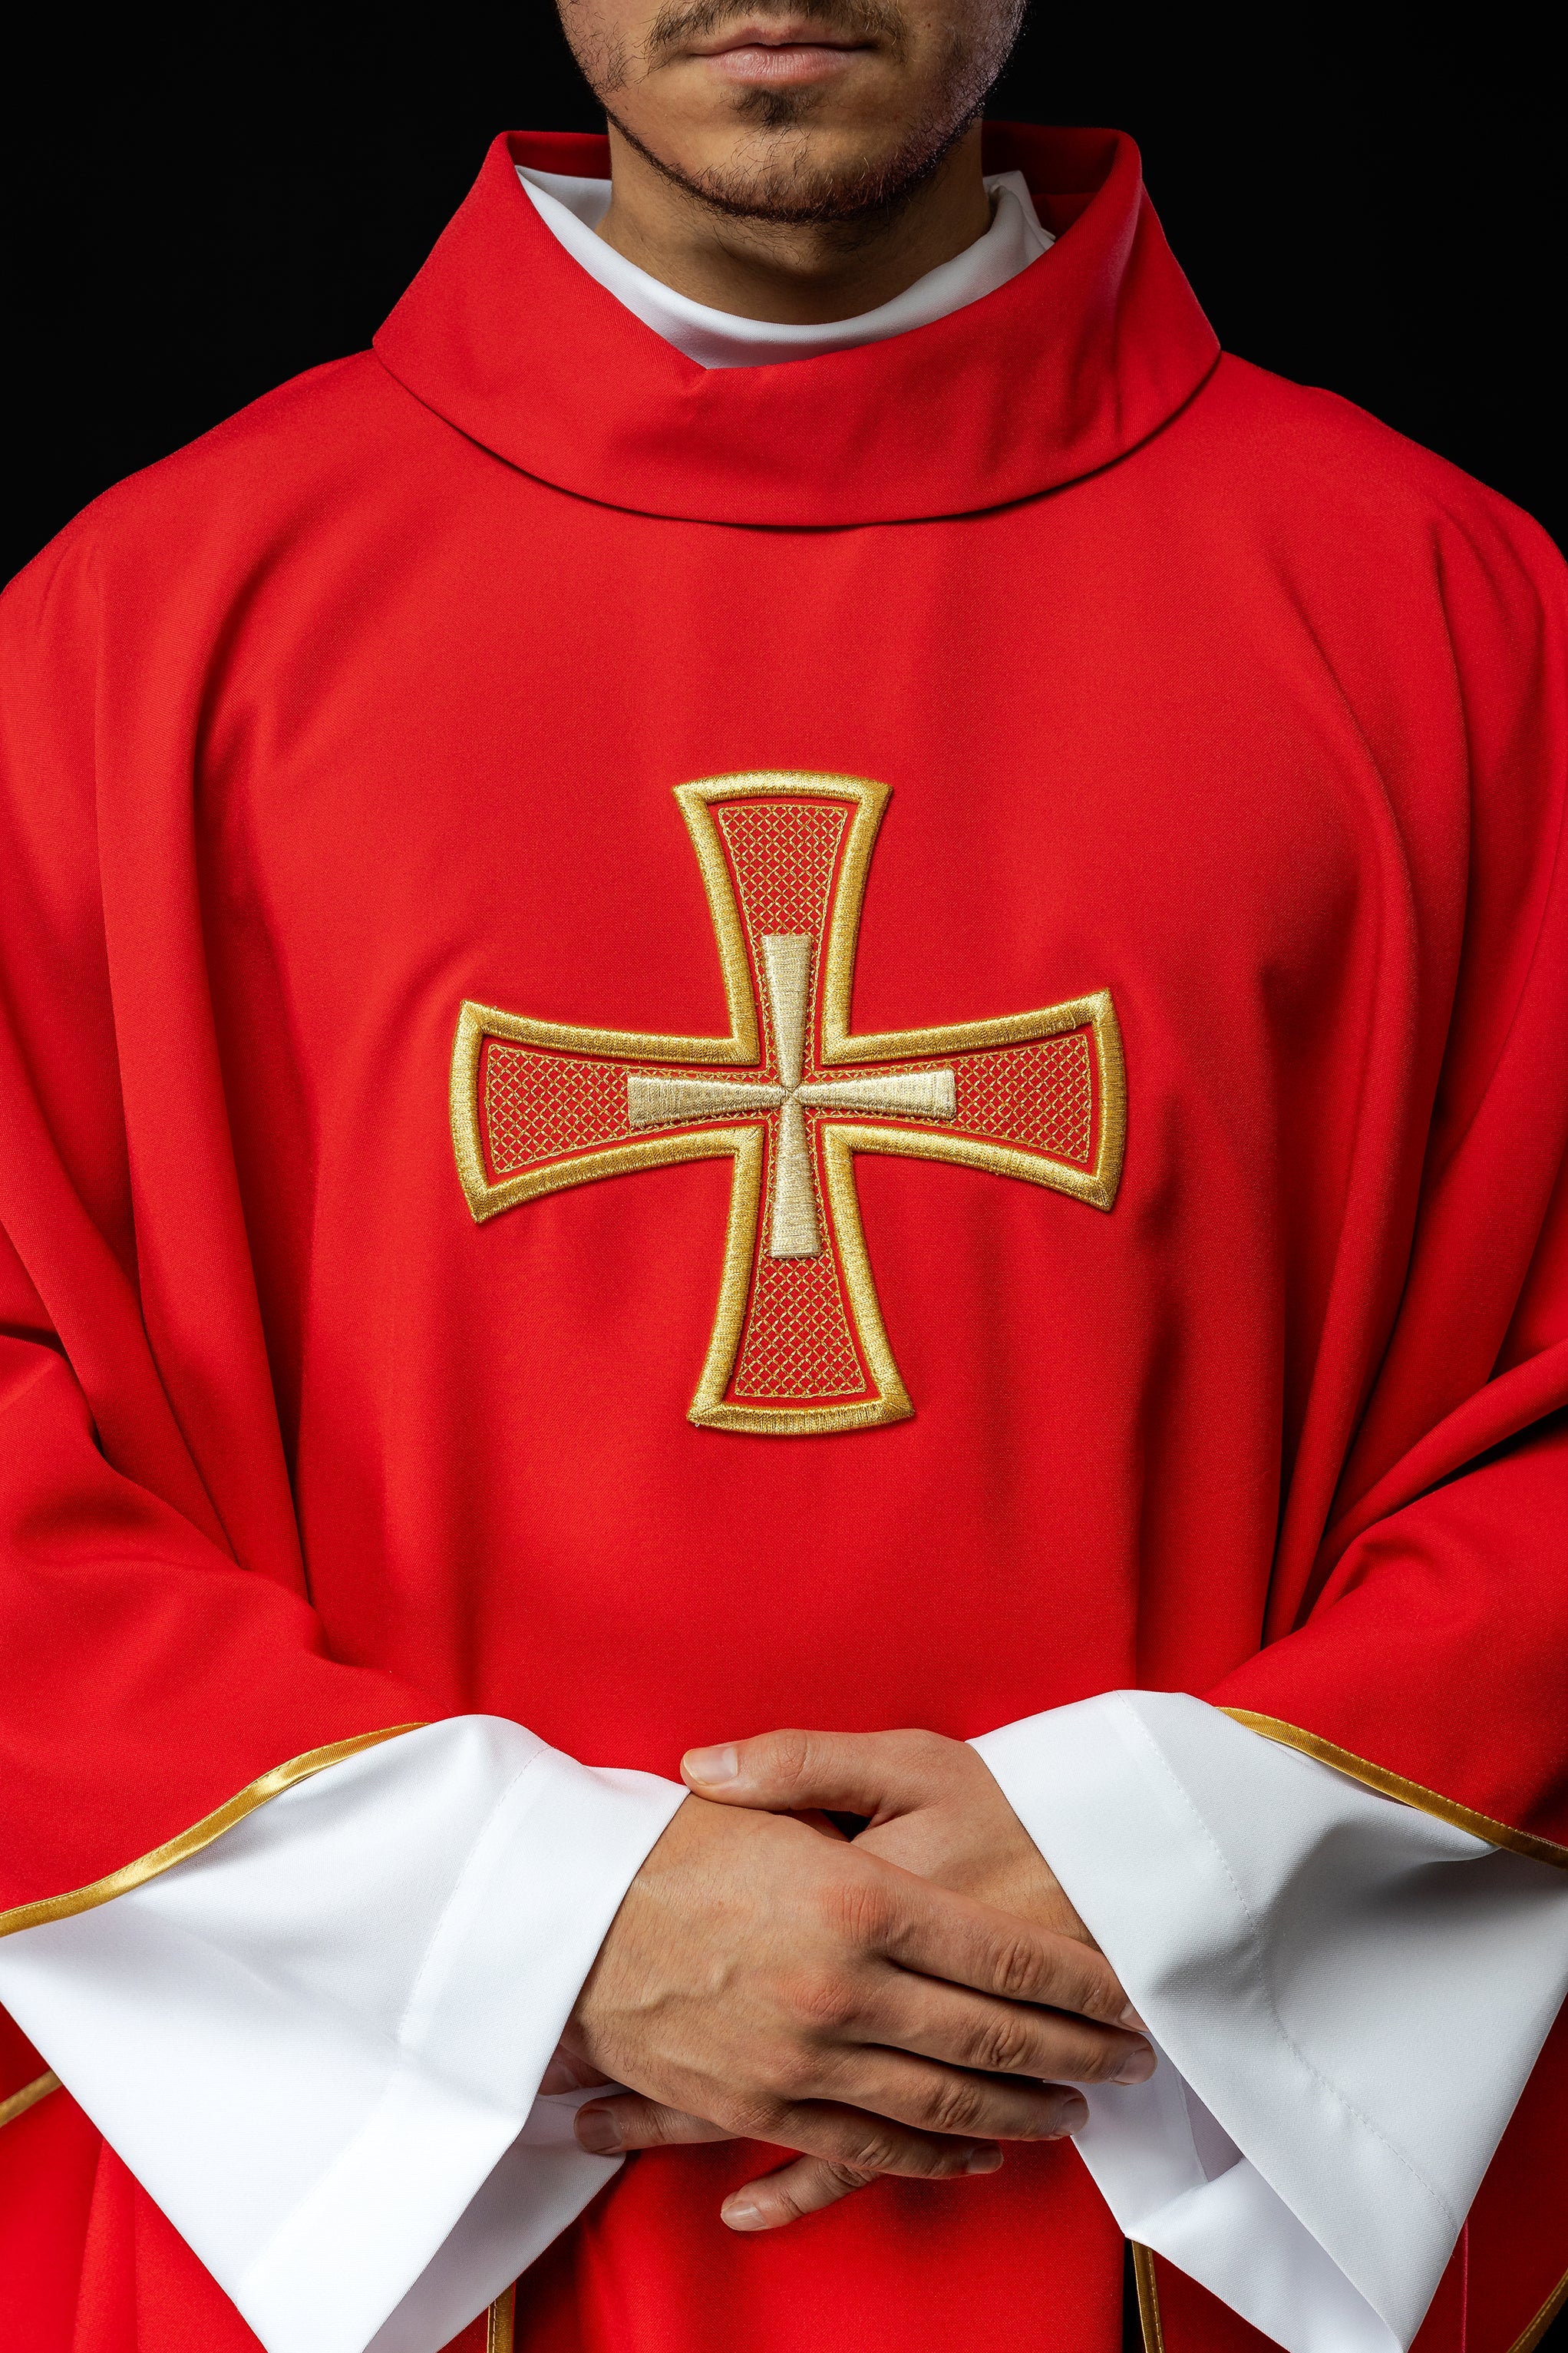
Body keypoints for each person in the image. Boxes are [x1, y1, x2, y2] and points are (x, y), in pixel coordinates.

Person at [2, 5, 1566, 2352]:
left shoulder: (1439, 606)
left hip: (1146, 2212)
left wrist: (1157, 1866)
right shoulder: (142, 624)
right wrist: (532, 1925)